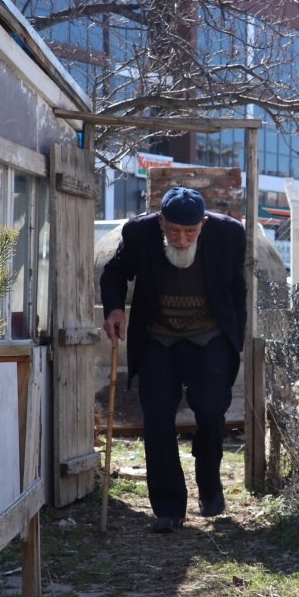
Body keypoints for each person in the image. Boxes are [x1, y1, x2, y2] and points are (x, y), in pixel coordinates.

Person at [101, 186, 247, 533]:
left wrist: (234, 339)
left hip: (209, 336)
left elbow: (236, 289)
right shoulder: (139, 232)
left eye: (190, 232)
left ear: (204, 224)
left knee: (212, 412)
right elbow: (114, 272)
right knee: (157, 419)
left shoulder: (229, 235)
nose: (181, 240)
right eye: (174, 231)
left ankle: (209, 483)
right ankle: (168, 508)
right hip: (158, 338)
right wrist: (115, 309)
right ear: (161, 222)